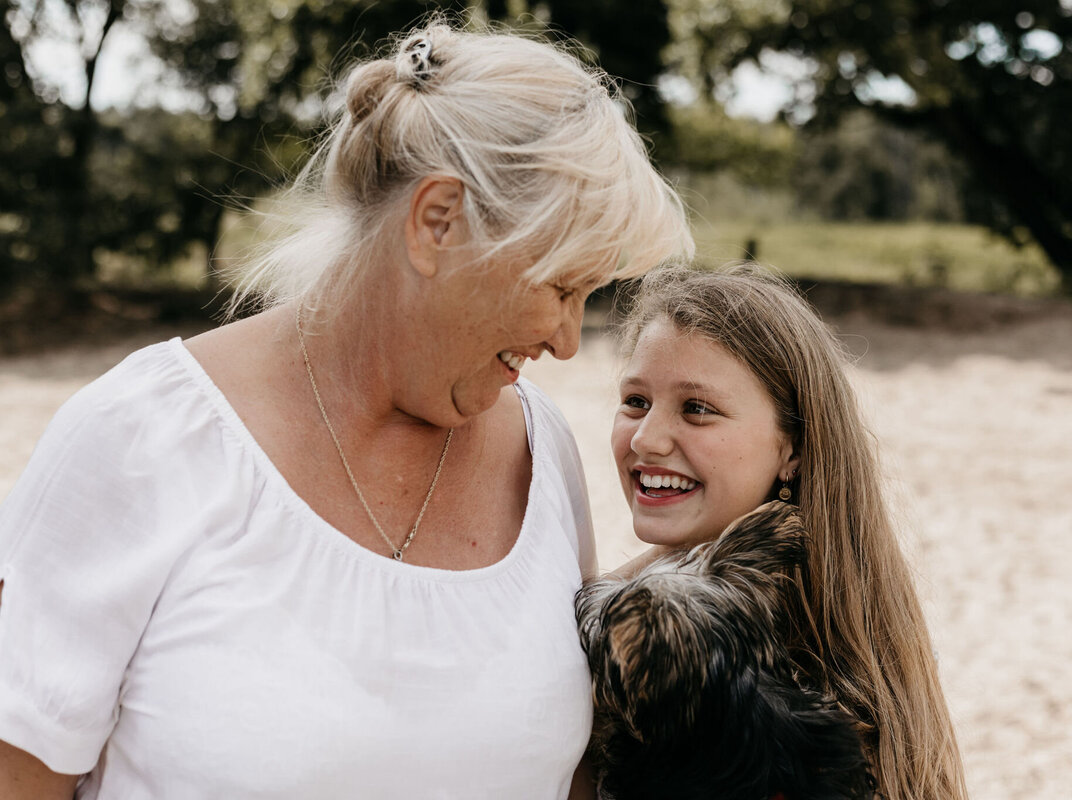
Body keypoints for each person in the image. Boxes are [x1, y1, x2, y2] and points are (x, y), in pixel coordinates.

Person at [0, 20, 692, 799]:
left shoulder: (543, 450)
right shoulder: (139, 436)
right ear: (437, 222)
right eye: (562, 287)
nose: (568, 342)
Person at [603, 264, 968, 800]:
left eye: (697, 409)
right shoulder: (859, 619)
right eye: (636, 401)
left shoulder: (754, 696)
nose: (647, 439)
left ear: (792, 450)